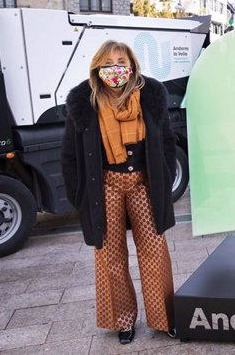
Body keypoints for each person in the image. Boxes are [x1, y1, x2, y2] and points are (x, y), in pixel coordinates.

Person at [61, 40, 177, 344]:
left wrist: (164, 182)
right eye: (108, 62)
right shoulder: (83, 103)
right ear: (98, 67)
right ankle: (123, 321)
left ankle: (165, 318)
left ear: (132, 65)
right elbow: (70, 155)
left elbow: (165, 141)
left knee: (154, 251)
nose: (116, 68)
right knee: (110, 256)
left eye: (121, 61)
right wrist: (80, 197)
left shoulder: (151, 96)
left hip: (144, 184)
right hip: (106, 186)